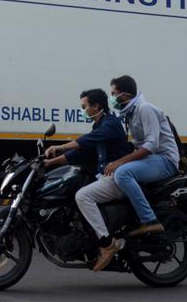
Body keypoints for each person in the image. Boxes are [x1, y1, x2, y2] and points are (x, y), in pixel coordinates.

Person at [44, 88, 133, 271]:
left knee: (82, 196)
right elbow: (81, 153)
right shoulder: (99, 125)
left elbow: (86, 141)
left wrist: (60, 147)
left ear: (96, 106)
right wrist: (49, 162)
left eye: (84, 106)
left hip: (116, 178)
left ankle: (107, 243)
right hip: (105, 177)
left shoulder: (110, 124)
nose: (82, 110)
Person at [104, 75, 179, 236]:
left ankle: (150, 220)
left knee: (123, 173)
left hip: (165, 161)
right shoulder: (130, 113)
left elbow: (152, 145)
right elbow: (138, 145)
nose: (111, 98)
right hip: (151, 160)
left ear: (124, 95)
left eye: (113, 93)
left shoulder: (145, 109)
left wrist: (120, 162)